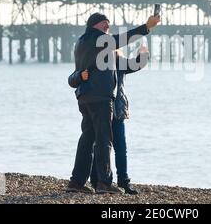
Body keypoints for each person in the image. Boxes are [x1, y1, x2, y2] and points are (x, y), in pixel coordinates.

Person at [66, 12, 160, 194]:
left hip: (85, 98)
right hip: (100, 98)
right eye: (104, 24)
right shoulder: (98, 39)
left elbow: (124, 65)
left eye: (108, 24)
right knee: (103, 140)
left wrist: (142, 59)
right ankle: (104, 183)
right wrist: (146, 27)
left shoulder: (81, 42)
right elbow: (122, 39)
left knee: (87, 140)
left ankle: (76, 183)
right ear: (94, 25)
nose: (107, 27)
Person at [71, 46, 149, 194]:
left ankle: (117, 181)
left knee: (109, 146)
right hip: (103, 110)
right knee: (106, 146)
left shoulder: (118, 62)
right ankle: (101, 181)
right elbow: (77, 79)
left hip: (115, 111)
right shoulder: (96, 63)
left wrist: (143, 54)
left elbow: (135, 64)